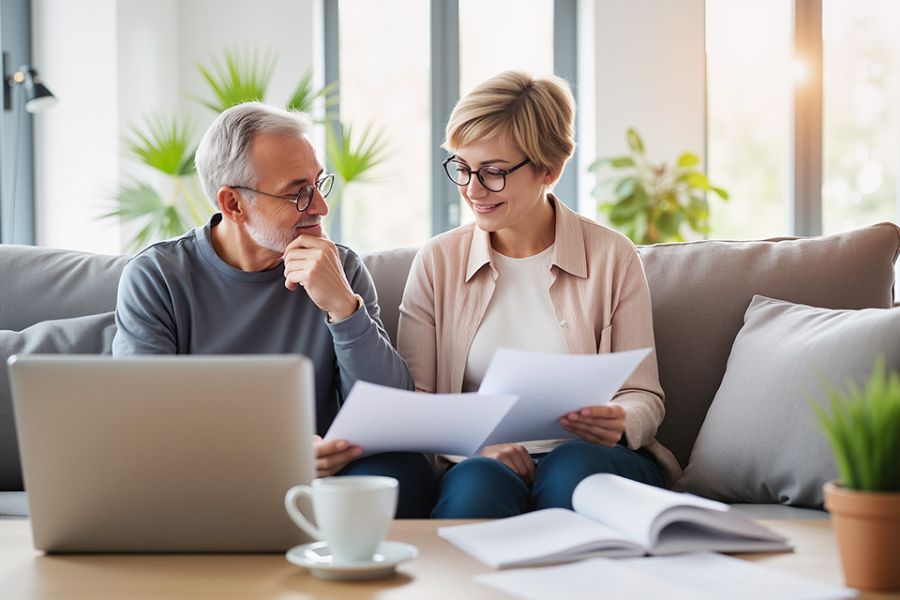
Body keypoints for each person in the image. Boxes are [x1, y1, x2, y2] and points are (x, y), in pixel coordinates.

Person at [112, 102, 437, 517]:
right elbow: (145, 424)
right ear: (233, 205)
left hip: (324, 476)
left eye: (319, 184)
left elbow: (392, 412)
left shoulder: (341, 268)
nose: (320, 207)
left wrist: (343, 307)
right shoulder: (158, 277)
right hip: (210, 476)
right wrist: (278, 457)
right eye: (297, 192)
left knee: (403, 472)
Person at [397, 71, 681, 518]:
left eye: (493, 173)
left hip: (593, 457)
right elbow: (418, 402)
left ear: (549, 168)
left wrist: (621, 420)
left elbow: (643, 395)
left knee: (571, 469)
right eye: (462, 168)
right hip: (481, 457)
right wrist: (474, 448)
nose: (472, 190)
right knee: (475, 485)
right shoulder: (437, 262)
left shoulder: (612, 256)